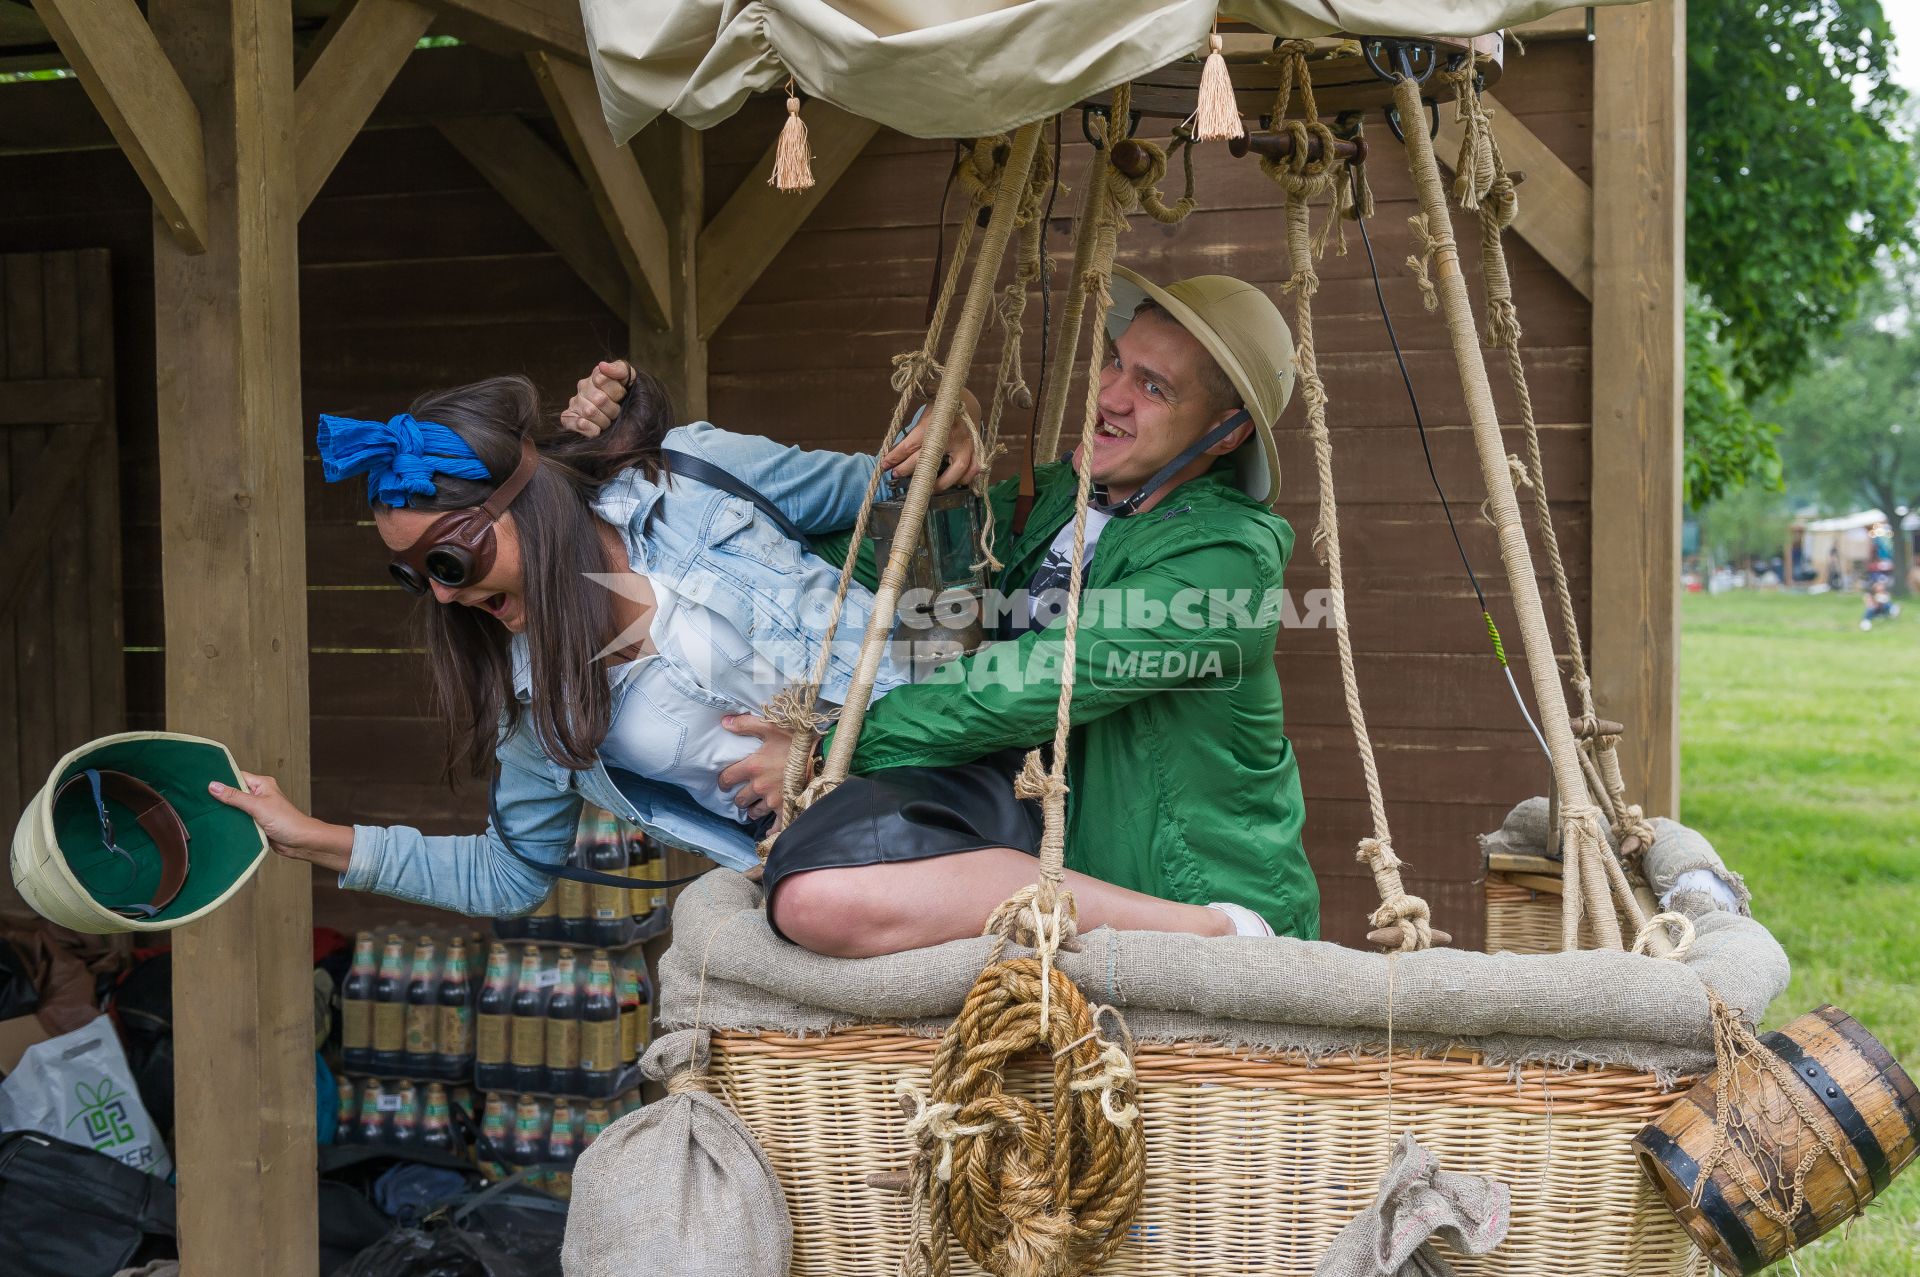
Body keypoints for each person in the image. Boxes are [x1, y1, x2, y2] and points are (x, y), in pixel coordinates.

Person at [571, 268, 1319, 957]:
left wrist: (836, 747)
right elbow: (863, 558)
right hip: (1067, 900)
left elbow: (1040, 679)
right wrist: (640, 455)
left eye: (1154, 387)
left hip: (1205, 912)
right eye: (1116, 362)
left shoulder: (1230, 558)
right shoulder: (1057, 498)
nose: (1113, 396)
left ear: (1228, 432)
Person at [202, 372, 964, 913]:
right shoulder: (544, 707)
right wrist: (312, 837)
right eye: (413, 575)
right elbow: (508, 873)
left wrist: (951, 420)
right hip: (846, 867)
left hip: (964, 747)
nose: (442, 592)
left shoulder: (695, 477)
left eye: (449, 558)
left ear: (523, 503)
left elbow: (898, 482)